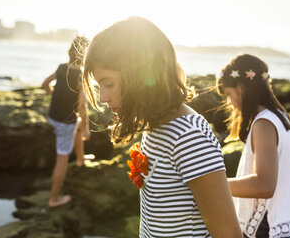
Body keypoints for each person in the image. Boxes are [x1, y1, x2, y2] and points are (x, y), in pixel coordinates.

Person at [82, 16, 242, 238]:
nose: (102, 97)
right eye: (100, 85)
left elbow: (229, 235)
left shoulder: (189, 137)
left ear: (139, 74)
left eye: (108, 83)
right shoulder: (154, 127)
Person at [216, 54, 290, 238]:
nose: (229, 103)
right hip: (283, 223)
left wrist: (214, 185)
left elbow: (264, 185)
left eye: (229, 95)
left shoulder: (264, 124)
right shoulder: (283, 118)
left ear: (241, 87)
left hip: (265, 228)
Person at [42, 36, 91, 208]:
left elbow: (45, 83)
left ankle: (80, 160)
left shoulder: (62, 68)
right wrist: (86, 127)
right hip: (64, 122)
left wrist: (53, 94)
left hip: (53, 116)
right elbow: (82, 104)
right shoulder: (81, 75)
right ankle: (53, 199)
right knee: (62, 160)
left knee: (75, 125)